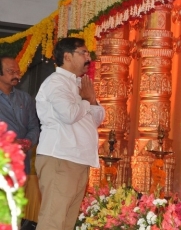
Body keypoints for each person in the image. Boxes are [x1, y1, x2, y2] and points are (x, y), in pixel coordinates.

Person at [35, 37, 105, 230]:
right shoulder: (56, 83)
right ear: (67, 56)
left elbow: (97, 118)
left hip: (77, 160)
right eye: (83, 52)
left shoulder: (79, 84)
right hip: (60, 158)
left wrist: (90, 100)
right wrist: (85, 101)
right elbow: (68, 114)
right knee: (52, 222)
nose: (88, 57)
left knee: (66, 224)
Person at [0, 56, 39, 174]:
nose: (16, 75)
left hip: (21, 162)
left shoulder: (25, 98)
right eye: (11, 71)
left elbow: (34, 126)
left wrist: (28, 141)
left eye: (18, 72)